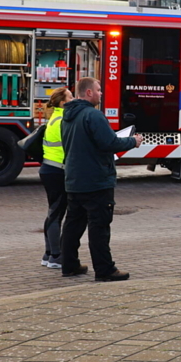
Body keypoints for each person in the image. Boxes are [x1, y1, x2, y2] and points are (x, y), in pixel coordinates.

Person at [60, 77, 142, 281]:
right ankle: (105, 270)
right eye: (98, 90)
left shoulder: (67, 116)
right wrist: (134, 141)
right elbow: (109, 142)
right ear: (88, 93)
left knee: (73, 224)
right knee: (99, 227)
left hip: (74, 179)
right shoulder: (93, 115)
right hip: (96, 180)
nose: (101, 93)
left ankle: (69, 265)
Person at [39, 87, 73, 270]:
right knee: (56, 213)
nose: (74, 99)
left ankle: (48, 253)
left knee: (53, 212)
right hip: (57, 170)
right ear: (63, 102)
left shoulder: (54, 118)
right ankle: (56, 256)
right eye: (71, 96)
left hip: (49, 169)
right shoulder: (63, 120)